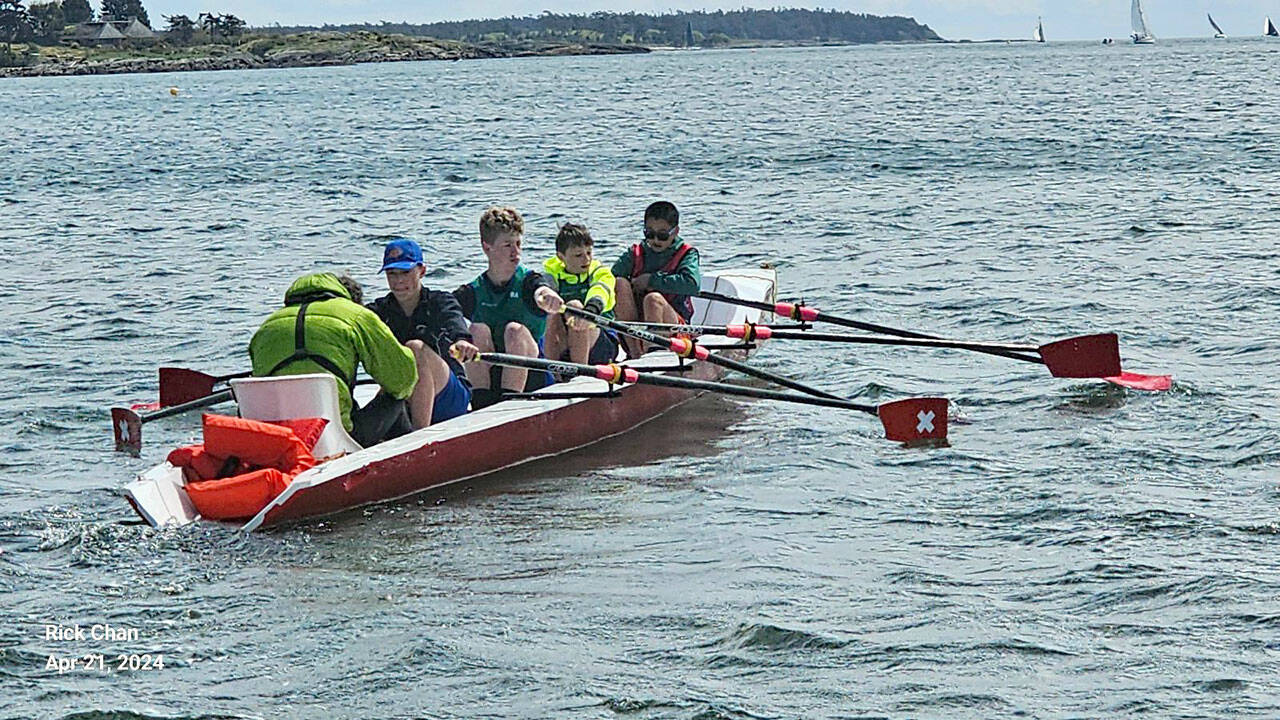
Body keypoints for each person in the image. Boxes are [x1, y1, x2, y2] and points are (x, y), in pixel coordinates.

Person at [249, 272, 418, 447]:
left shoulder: (267, 326)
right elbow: (403, 379)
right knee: (394, 395)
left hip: (277, 438)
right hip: (335, 437)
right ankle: (410, 452)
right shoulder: (355, 315)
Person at [453, 206, 566, 409]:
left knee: (514, 330)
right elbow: (446, 312)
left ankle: (509, 404)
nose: (516, 252)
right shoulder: (472, 291)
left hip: (532, 374)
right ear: (487, 247)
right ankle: (481, 403)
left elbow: (541, 289)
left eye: (518, 244)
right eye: (507, 245)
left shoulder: (528, 281)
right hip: (491, 373)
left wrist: (547, 296)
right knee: (476, 330)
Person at [367, 238, 479, 428]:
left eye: (405, 272)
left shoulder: (440, 301)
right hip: (406, 395)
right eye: (392, 273)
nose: (398, 281)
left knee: (415, 348)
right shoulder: (379, 311)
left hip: (449, 398)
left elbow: (453, 319)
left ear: (422, 271)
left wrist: (462, 340)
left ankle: (419, 435)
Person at [611, 200, 701, 358]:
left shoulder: (687, 254)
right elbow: (609, 277)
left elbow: (692, 284)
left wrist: (651, 280)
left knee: (653, 300)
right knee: (619, 283)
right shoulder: (636, 252)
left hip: (676, 329)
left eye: (662, 235)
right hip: (639, 328)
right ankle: (635, 352)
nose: (656, 240)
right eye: (650, 234)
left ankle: (655, 352)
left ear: (675, 232)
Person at [542, 222, 620, 365]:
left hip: (601, 341)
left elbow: (600, 291)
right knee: (550, 310)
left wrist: (591, 309)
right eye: (578, 255)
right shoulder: (551, 275)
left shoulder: (600, 272)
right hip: (565, 340)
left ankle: (580, 371)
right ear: (561, 257)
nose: (586, 260)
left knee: (575, 307)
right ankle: (551, 371)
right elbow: (543, 291)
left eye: (589, 253)